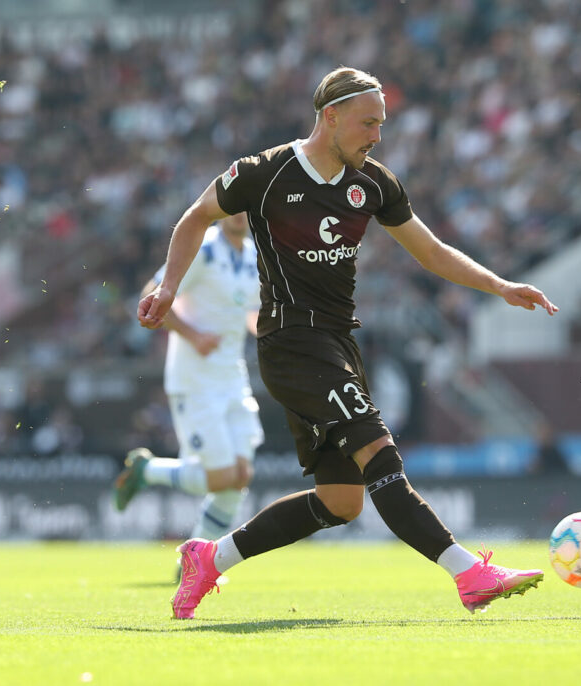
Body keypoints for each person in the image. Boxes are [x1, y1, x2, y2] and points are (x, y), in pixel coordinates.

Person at [138, 67, 559, 619]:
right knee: (379, 452)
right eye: (368, 123)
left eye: (381, 124)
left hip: (337, 343)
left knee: (341, 502)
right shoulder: (265, 172)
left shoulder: (374, 183)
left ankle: (209, 558)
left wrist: (499, 285)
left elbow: (432, 252)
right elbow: (196, 217)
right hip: (292, 343)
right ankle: (469, 573)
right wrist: (170, 286)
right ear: (330, 116)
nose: (377, 136)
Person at [114, 213, 264, 547]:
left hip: (233, 377)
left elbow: (252, 314)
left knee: (240, 477)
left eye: (246, 207)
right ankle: (146, 470)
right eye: (233, 207)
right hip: (195, 380)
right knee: (222, 477)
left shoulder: (254, 256)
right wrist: (193, 335)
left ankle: (194, 564)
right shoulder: (203, 249)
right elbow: (151, 294)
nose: (239, 214)